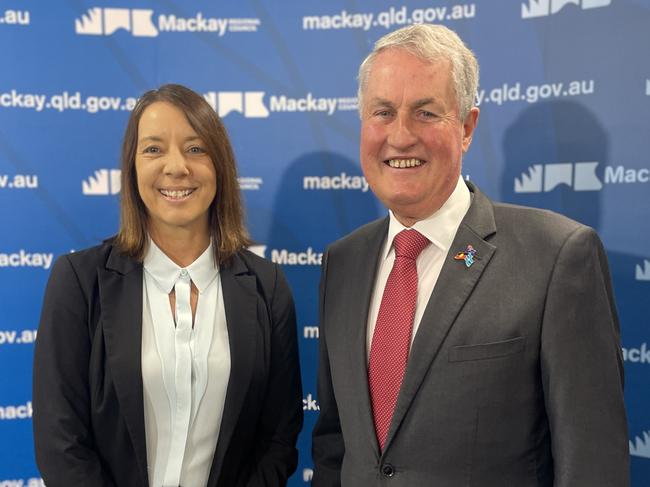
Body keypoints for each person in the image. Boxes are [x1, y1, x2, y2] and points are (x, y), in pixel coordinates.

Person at [311, 24, 629, 486]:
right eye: (383, 112)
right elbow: (335, 448)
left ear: (466, 128)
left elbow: (592, 465)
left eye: (425, 113)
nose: (400, 136)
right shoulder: (344, 262)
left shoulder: (557, 257)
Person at [33, 84, 303, 487]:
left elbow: (278, 438)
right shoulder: (77, 282)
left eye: (196, 148)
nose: (176, 167)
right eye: (154, 149)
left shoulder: (268, 288)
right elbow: (61, 443)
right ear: (132, 168)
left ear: (220, 167)